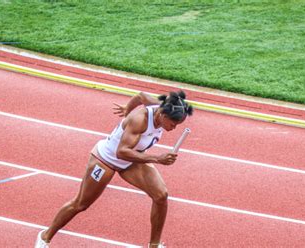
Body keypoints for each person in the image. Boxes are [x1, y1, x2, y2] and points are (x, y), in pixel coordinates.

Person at [35, 90, 193, 248]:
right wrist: (157, 158)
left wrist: (127, 108)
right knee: (80, 204)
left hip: (131, 160)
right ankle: (45, 237)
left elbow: (140, 96)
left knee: (161, 196)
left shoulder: (160, 107)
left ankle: (154, 245)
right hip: (106, 160)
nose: (174, 128)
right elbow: (121, 152)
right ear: (163, 115)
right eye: (173, 124)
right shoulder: (140, 120)